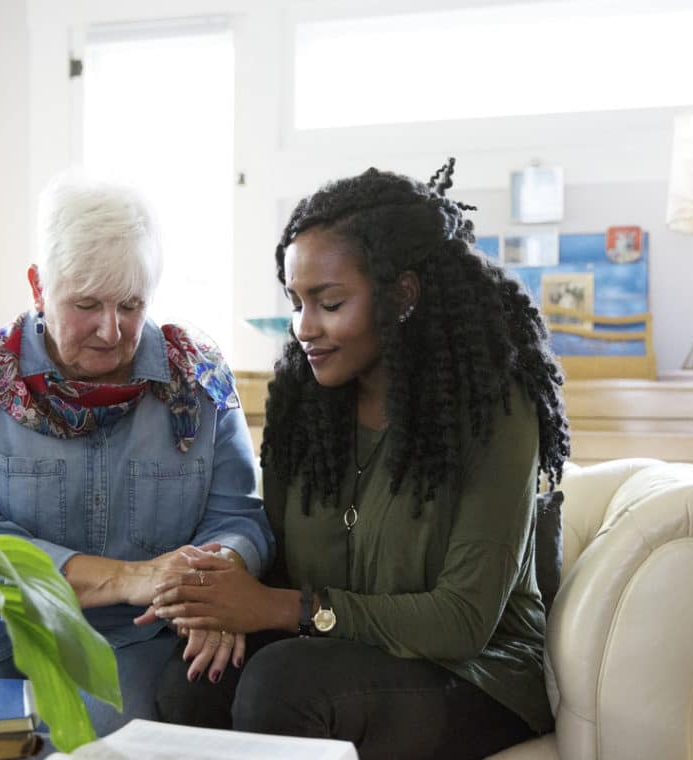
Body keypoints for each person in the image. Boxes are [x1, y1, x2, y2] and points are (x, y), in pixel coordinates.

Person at [145, 159, 570, 759]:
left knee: (281, 686)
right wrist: (222, 603)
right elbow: (282, 558)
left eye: (329, 302)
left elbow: (462, 621)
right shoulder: (304, 403)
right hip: (336, 651)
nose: (303, 328)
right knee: (195, 682)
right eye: (295, 302)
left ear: (403, 294)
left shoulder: (492, 408)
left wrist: (276, 608)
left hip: (478, 674)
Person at [0, 171, 274, 735]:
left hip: (132, 633)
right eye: (86, 304)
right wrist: (132, 577)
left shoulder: (199, 380)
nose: (111, 330)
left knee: (100, 735)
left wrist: (214, 586)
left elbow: (238, 518)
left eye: (132, 305)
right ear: (38, 286)